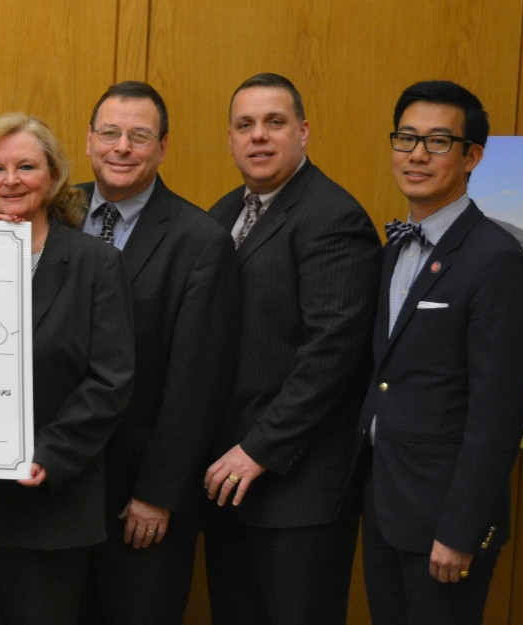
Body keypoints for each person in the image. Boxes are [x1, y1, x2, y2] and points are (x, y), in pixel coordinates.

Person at [0, 112, 134, 625]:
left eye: (26, 166)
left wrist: (49, 455)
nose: (10, 180)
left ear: (53, 175)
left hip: (49, 502)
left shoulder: (95, 263)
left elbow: (111, 380)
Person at [355, 81, 523, 625]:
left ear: (471, 157)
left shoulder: (497, 261)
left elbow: (498, 415)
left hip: (444, 523)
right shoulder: (396, 249)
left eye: (437, 141)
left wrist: (461, 531)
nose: (416, 155)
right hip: (385, 504)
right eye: (406, 138)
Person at [201, 72, 381, 625]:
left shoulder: (334, 217)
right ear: (230, 138)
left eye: (274, 122)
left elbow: (331, 355)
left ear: (303, 132)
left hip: (297, 490)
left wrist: (257, 450)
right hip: (228, 485)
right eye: (245, 125)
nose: (258, 135)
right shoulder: (223, 212)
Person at [73, 81, 239, 625]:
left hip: (138, 498)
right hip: (56, 488)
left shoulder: (200, 240)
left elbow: (198, 381)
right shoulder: (53, 211)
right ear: (89, 140)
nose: (122, 147)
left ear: (163, 147)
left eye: (139, 136)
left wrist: (159, 493)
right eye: (110, 133)